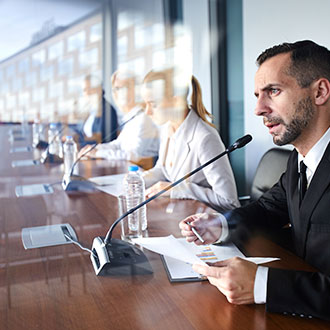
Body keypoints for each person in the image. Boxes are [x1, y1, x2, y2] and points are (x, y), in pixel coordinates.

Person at [179, 40, 330, 320]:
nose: (258, 109)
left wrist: (262, 285)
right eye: (257, 95)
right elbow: (267, 209)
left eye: (273, 91)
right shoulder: (299, 158)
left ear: (320, 91)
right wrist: (220, 224)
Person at [142, 68, 240, 212]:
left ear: (176, 101)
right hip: (179, 215)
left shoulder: (205, 138)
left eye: (153, 104)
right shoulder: (168, 128)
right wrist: (137, 181)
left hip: (204, 224)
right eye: (146, 104)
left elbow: (229, 202)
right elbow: (163, 170)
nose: (147, 111)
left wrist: (175, 189)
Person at [78, 70, 159, 164]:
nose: (117, 93)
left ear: (136, 90)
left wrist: (98, 153)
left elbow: (134, 156)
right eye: (116, 89)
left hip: (139, 173)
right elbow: (118, 144)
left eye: (124, 87)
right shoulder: (132, 118)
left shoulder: (144, 119)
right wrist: (94, 148)